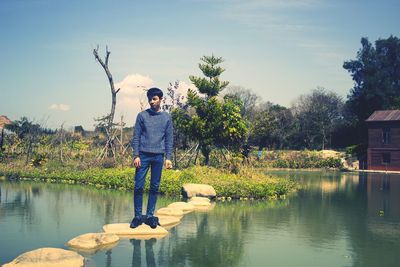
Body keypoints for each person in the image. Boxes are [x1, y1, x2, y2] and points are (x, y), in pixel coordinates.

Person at [130, 87, 173, 229]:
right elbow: (136, 137)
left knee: (154, 187)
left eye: (154, 99)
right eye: (150, 99)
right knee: (139, 186)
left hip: (159, 156)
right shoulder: (142, 116)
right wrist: (136, 155)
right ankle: (137, 216)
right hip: (143, 155)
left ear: (160, 100)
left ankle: (149, 216)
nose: (151, 102)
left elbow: (169, 139)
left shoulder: (166, 117)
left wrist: (168, 157)